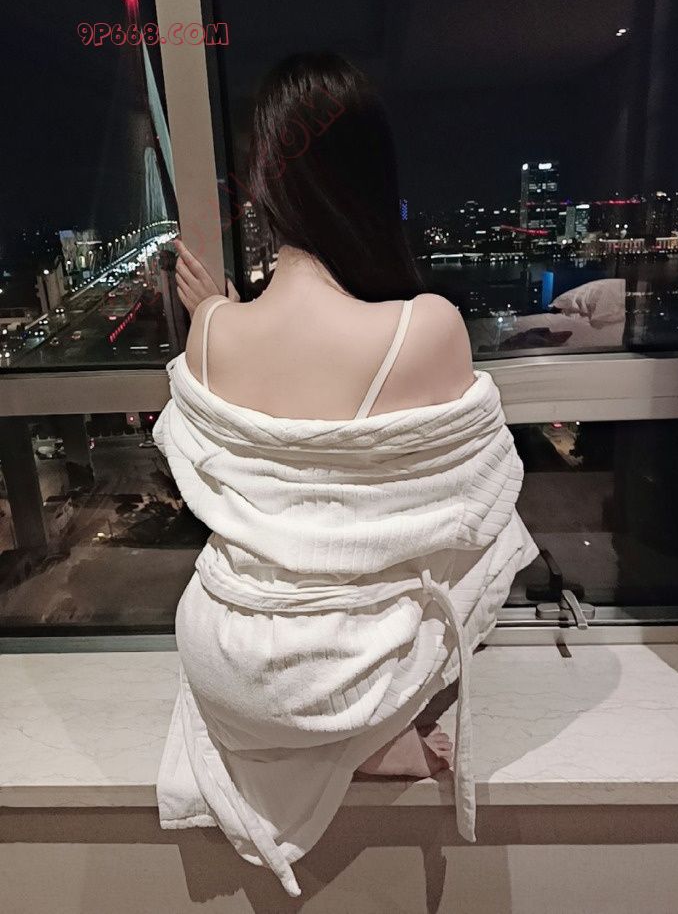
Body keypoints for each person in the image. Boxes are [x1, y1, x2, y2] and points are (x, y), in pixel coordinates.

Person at [154, 52, 538, 898]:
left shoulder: (211, 332)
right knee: (496, 525)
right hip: (342, 677)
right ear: (371, 178)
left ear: (263, 188)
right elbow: (480, 501)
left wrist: (215, 308)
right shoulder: (424, 327)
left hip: (224, 663)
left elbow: (234, 430)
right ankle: (369, 733)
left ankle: (330, 733)